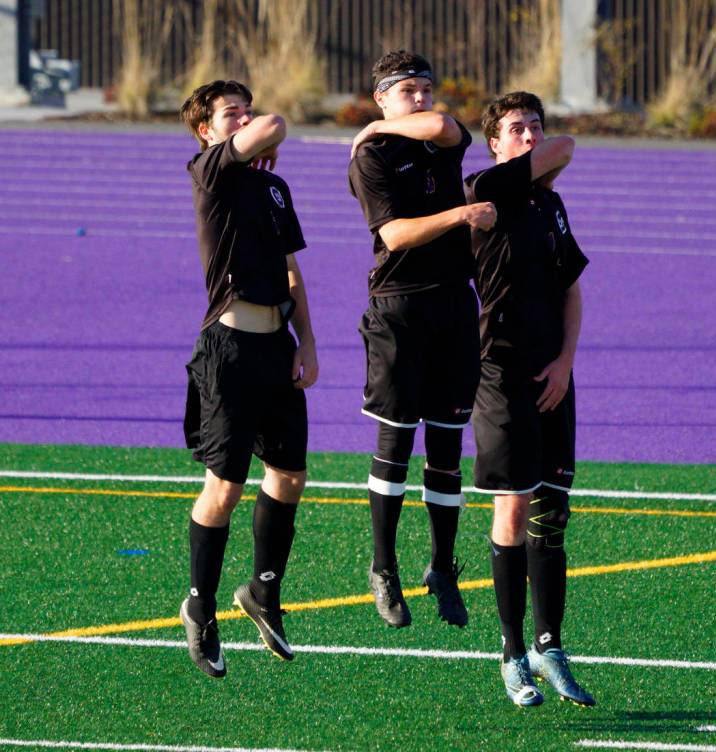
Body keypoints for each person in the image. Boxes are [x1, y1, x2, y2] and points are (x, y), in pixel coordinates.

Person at [348, 51, 496, 629]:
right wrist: (460, 217)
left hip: (454, 305)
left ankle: (441, 566)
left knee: (447, 448)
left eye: (425, 87)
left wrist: (382, 119)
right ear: (381, 96)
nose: (420, 97)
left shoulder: (433, 137)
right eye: (405, 89)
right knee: (395, 444)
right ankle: (383, 567)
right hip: (398, 310)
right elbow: (396, 233)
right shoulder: (372, 156)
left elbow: (443, 125)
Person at [177, 79, 318, 679]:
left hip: (275, 347)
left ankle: (262, 592)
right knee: (225, 488)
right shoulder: (210, 172)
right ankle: (200, 606)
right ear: (207, 131)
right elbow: (277, 125)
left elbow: (291, 271)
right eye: (230, 113)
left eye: (245, 109)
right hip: (229, 350)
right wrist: (254, 131)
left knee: (289, 477)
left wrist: (307, 341)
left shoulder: (273, 188)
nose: (245, 118)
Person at [464, 91, 596, 707]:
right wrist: (546, 149)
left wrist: (566, 362)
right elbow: (565, 149)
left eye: (534, 127)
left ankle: (552, 647)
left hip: (554, 376)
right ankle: (512, 654)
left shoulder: (550, 202)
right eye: (516, 129)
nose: (530, 136)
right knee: (513, 508)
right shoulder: (484, 189)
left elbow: (572, 289)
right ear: (494, 143)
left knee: (554, 513)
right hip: (500, 373)